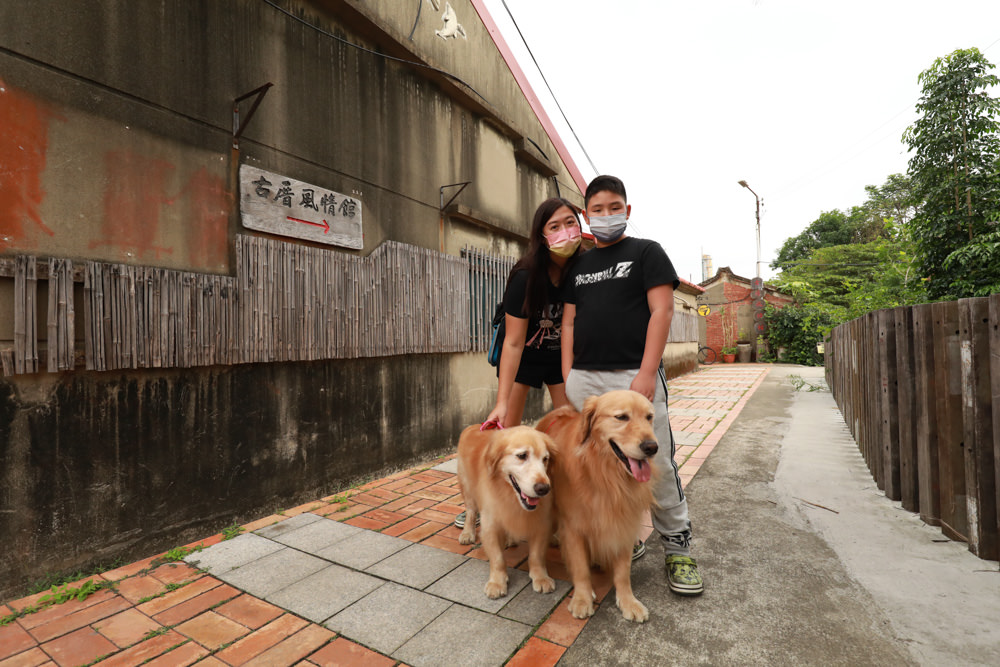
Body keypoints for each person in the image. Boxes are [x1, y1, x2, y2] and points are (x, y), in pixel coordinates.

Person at [560, 175, 704, 596]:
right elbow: (569, 321)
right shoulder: (579, 264)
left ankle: (678, 547)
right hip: (586, 378)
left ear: (628, 210)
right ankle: (623, 537)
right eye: (598, 209)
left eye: (614, 206)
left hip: (632, 374)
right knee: (594, 464)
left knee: (654, 462)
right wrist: (569, 372)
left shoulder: (646, 253)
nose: (607, 215)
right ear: (587, 215)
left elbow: (661, 313)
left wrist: (646, 371)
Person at [454, 197, 583, 530]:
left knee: (568, 432)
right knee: (506, 437)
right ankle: (486, 503)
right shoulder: (526, 275)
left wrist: (571, 383)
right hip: (524, 354)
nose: (565, 232)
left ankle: (557, 505)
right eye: (554, 226)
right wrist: (500, 402)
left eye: (570, 223)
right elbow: (512, 342)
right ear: (541, 235)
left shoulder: (583, 269)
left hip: (560, 356)